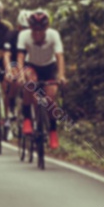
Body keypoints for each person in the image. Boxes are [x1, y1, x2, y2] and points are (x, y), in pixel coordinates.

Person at [15, 10, 67, 149]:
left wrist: (61, 75)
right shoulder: (24, 35)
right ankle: (27, 119)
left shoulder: (53, 35)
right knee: (29, 84)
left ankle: (53, 131)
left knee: (50, 100)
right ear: (30, 28)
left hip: (49, 67)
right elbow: (20, 57)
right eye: (34, 30)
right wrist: (20, 74)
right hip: (31, 65)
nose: (37, 34)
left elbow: (59, 56)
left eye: (41, 30)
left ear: (46, 28)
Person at [4, 8, 30, 127]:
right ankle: (12, 104)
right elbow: (7, 54)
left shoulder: (35, 36)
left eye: (29, 29)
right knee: (14, 79)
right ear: (18, 27)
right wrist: (9, 70)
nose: (27, 31)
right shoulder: (11, 35)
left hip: (30, 63)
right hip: (15, 63)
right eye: (24, 28)